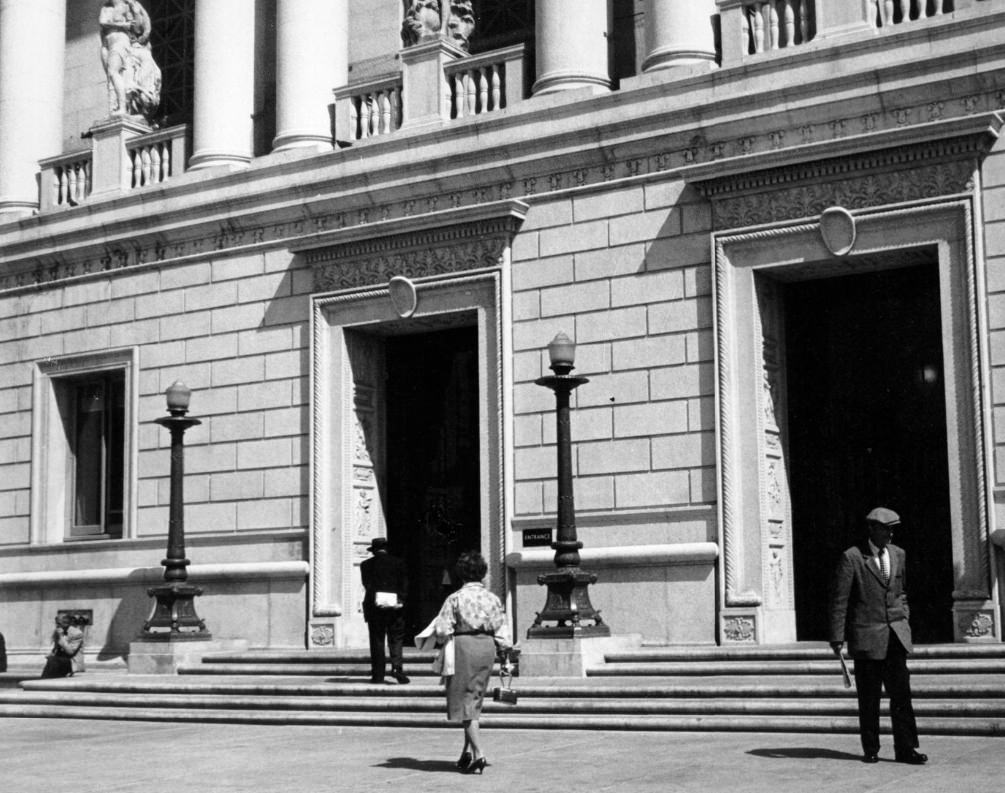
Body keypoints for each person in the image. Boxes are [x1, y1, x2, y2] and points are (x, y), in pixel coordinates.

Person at [829, 507, 927, 765]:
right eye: (887, 528)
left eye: (893, 528)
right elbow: (840, 600)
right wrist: (837, 637)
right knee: (869, 698)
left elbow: (901, 591)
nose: (891, 533)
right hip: (867, 639)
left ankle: (906, 749)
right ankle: (870, 747)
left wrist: (903, 616)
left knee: (902, 696)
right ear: (872, 529)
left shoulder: (898, 554)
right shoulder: (852, 558)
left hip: (895, 636)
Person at [432, 550, 512, 775]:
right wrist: (505, 653)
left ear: (461, 574)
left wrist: (439, 639)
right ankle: (466, 752)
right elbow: (501, 629)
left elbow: (442, 629)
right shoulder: (492, 598)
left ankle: (479, 753)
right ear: (482, 573)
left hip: (463, 647)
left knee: (464, 701)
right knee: (474, 698)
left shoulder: (455, 598)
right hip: (487, 647)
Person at [360, 537, 409, 684]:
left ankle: (378, 675)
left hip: (374, 607)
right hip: (394, 607)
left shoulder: (365, 565)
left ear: (374, 550)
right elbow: (404, 584)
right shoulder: (398, 563)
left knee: (377, 640)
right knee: (396, 638)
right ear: (387, 548)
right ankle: (396, 668)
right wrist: (400, 600)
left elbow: (366, 584)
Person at [40, 614, 84, 679]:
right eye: (56, 623)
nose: (57, 625)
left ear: (66, 623)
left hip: (71, 662)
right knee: (51, 660)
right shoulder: (58, 631)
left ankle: (44, 681)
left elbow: (70, 652)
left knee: (53, 661)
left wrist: (60, 637)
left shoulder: (77, 633)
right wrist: (51, 654)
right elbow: (56, 649)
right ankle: (44, 680)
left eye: (58, 623)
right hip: (60, 661)